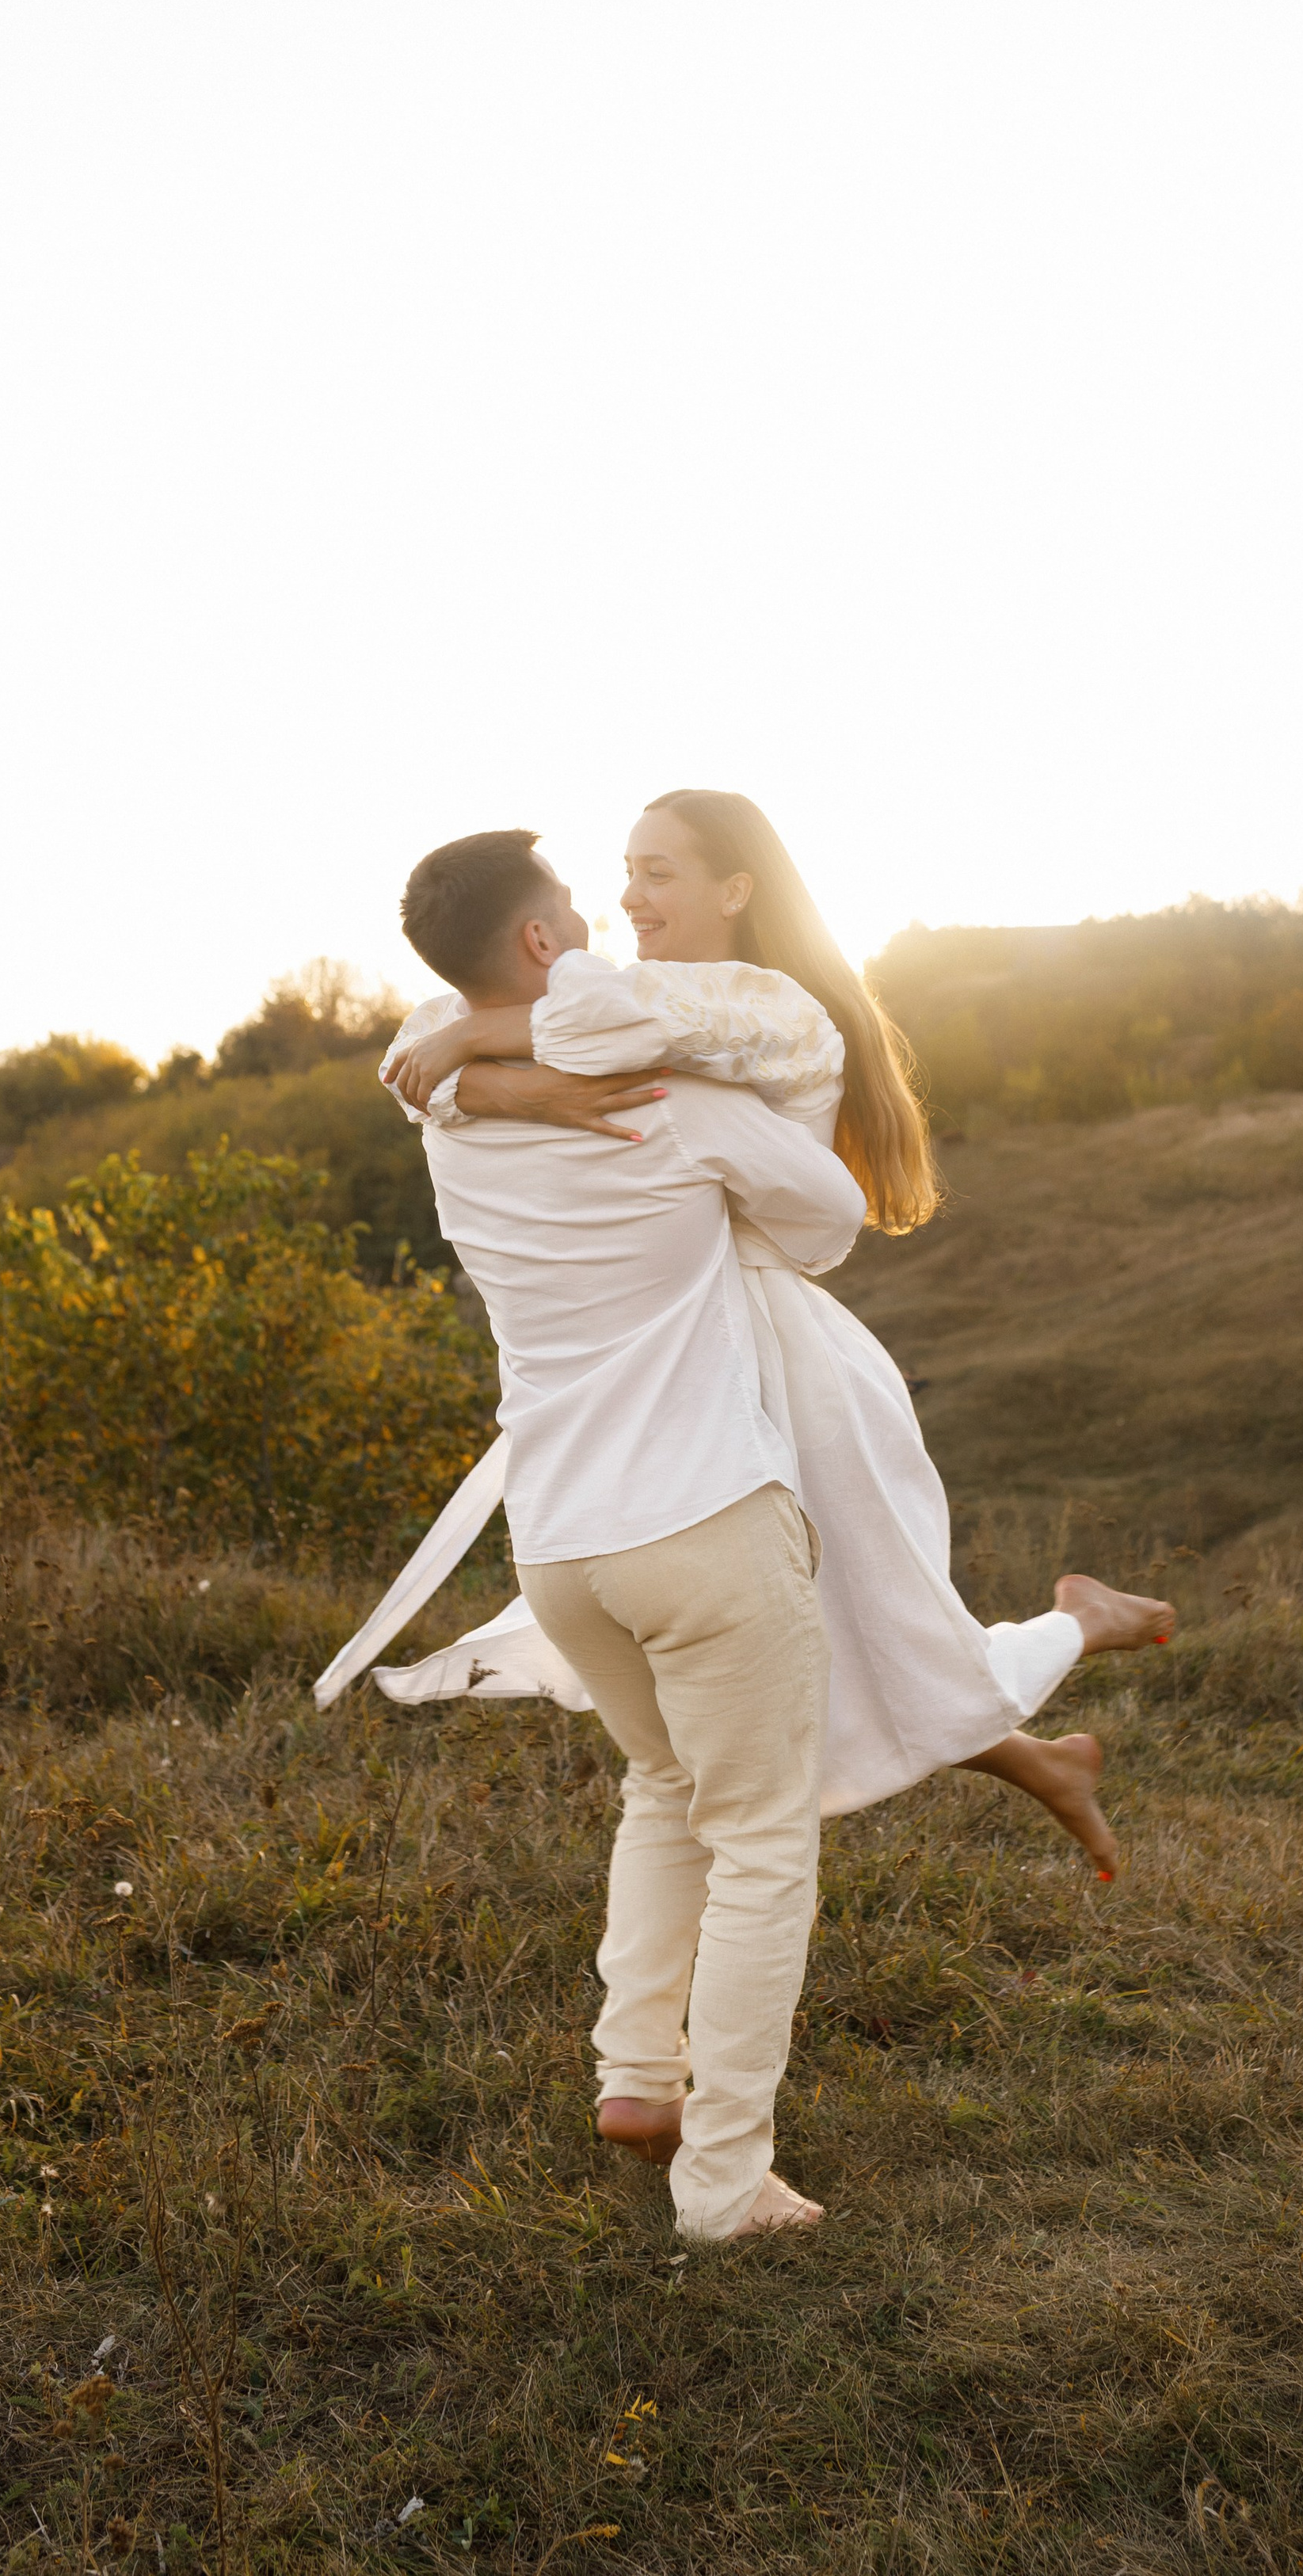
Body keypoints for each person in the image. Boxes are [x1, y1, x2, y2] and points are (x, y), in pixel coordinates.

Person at [368, 791, 1172, 1882]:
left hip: (765, 1352)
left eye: (659, 873)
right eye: (625, 870)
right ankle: (1047, 1749)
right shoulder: (614, 998)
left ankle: (1071, 1648)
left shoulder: (755, 1005)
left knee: (870, 1636)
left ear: (736, 889)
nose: (629, 896)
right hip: (678, 1356)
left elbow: (602, 1048)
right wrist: (512, 1086)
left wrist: (477, 1044)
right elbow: (418, 1067)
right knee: (842, 1645)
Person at [350, 827, 863, 2243]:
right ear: (537, 944)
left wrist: (497, 1073)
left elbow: (428, 1061)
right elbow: (831, 1220)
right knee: (761, 1846)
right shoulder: (673, 1098)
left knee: (662, 1784)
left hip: (562, 1545)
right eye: (574, 906)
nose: (595, 920)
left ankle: (636, 2079)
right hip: (702, 1519)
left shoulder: (443, 1102)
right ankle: (724, 2183)